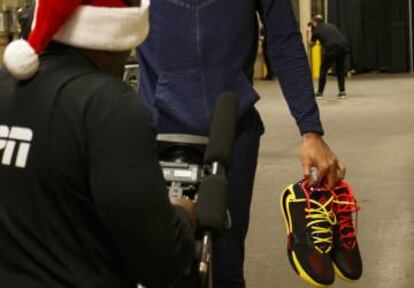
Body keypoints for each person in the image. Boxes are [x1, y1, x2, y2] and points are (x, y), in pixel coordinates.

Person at [136, 0, 346, 287]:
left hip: (232, 131)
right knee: (163, 262)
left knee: (226, 262)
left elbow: (283, 39)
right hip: (158, 131)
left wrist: (310, 131)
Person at [0, 1, 195, 287]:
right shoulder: (110, 107)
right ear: (109, 40)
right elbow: (159, 261)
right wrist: (182, 217)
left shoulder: (4, 85)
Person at [309, 14, 350, 99]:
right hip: (343, 47)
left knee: (323, 70)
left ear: (315, 22)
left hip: (331, 48)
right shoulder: (331, 25)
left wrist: (309, 32)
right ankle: (342, 92)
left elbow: (310, 45)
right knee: (340, 70)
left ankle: (320, 93)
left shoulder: (316, 31)